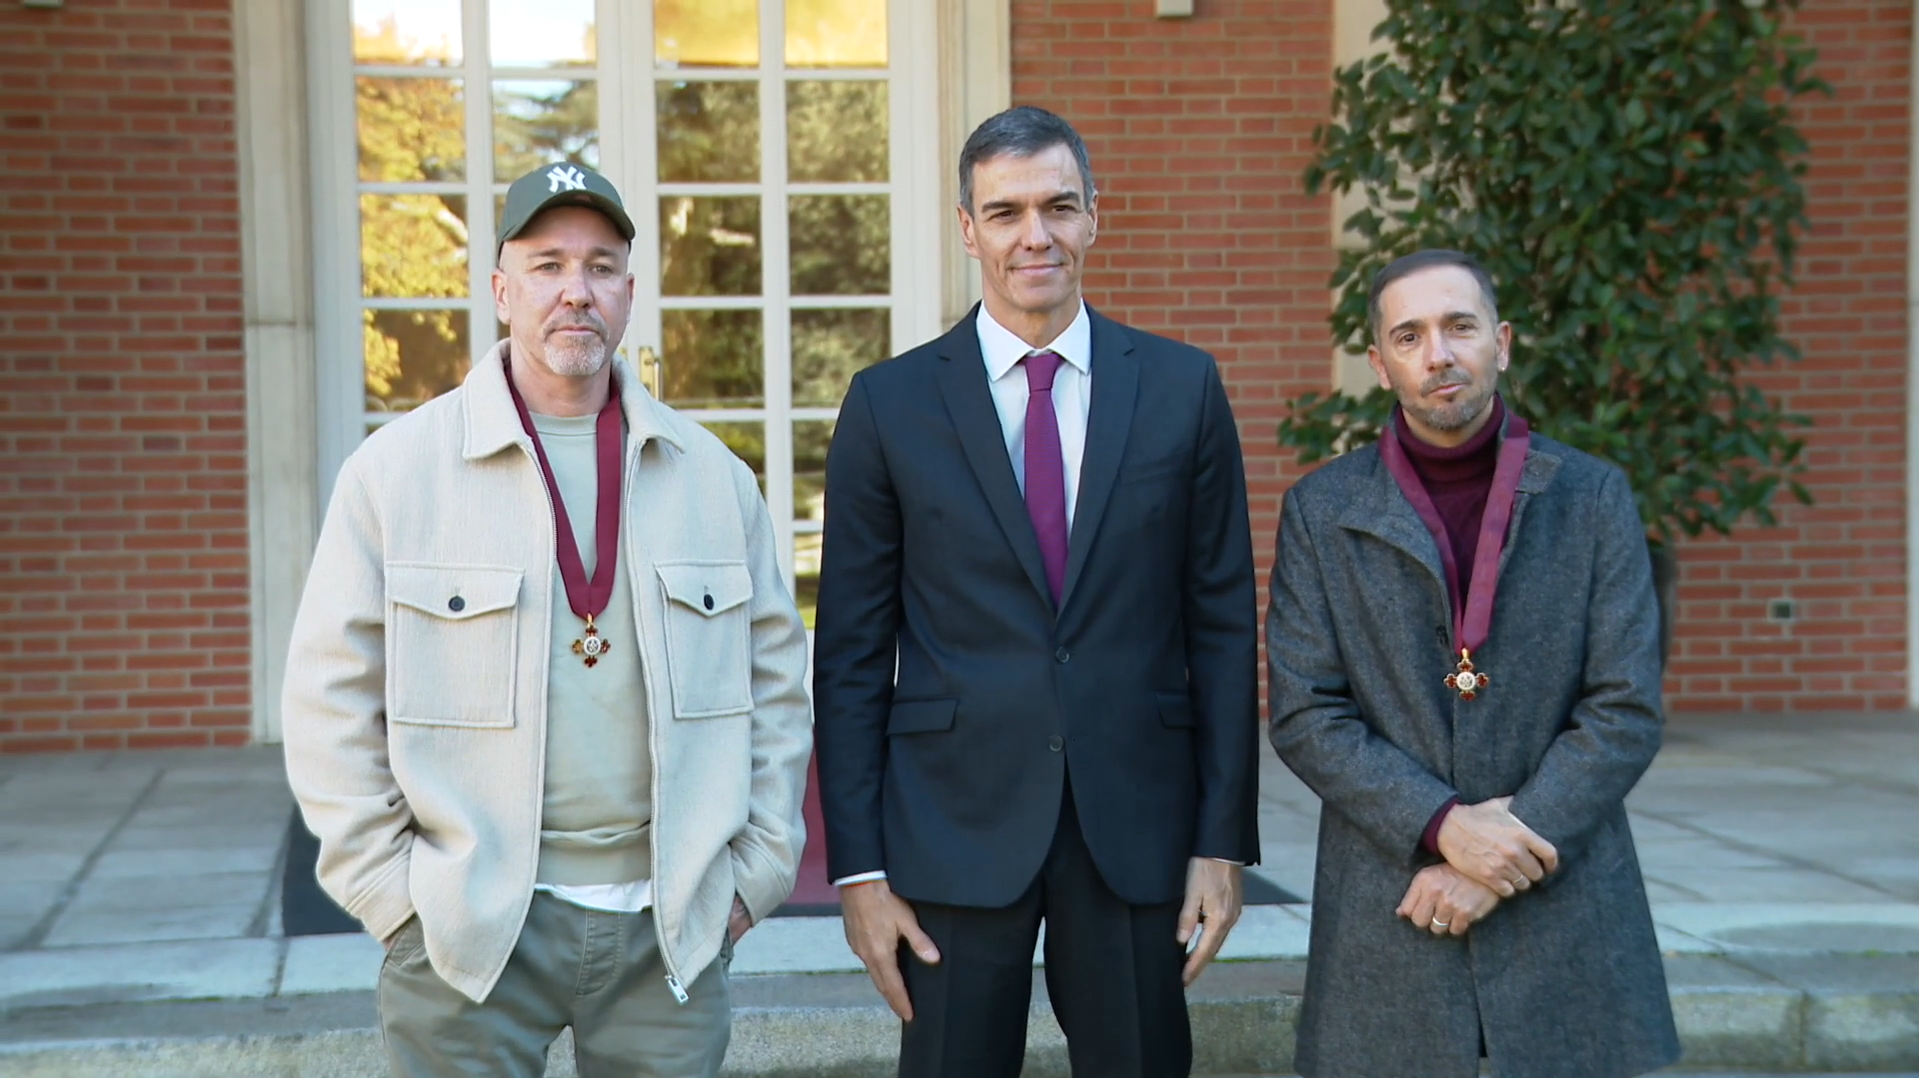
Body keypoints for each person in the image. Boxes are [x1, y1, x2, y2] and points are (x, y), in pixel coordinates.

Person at [281, 162, 813, 1078]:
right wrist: (392, 899)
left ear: (630, 294)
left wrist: (754, 875)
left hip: (668, 931)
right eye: (546, 264)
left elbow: (777, 688)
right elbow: (328, 700)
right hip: (470, 932)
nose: (576, 291)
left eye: (602, 266)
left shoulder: (714, 480)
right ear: (499, 290)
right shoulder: (396, 474)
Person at [811, 106, 1261, 1078]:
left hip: (1135, 822)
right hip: (949, 826)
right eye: (1005, 211)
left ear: (1094, 216)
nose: (1035, 234)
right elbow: (847, 651)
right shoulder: (888, 404)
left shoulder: (1182, 388)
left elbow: (1221, 625)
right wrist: (857, 869)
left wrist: (1221, 841)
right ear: (968, 228)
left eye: (1058, 206)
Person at [1265, 248, 1682, 1078]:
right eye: (1409, 336)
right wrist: (1444, 827)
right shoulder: (1322, 510)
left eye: (1459, 326)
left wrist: (1505, 850)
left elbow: (1624, 706)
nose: (1439, 355)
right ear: (1380, 363)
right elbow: (1306, 713)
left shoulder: (1592, 497)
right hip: (1395, 896)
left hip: (1564, 898)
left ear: (1503, 340)